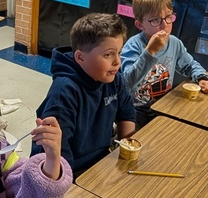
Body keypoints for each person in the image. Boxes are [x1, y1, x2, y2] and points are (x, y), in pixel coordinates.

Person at [34, 12, 136, 177]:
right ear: (80, 57)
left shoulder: (114, 78)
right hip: (71, 171)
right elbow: (58, 152)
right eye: (108, 54)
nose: (117, 61)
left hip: (101, 162)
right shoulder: (64, 92)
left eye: (119, 52)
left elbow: (127, 114)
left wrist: (126, 153)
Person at [120, 0, 208, 129]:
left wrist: (202, 77)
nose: (164, 25)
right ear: (140, 25)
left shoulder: (174, 43)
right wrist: (150, 51)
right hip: (136, 109)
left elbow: (189, 65)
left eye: (168, 17)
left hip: (164, 105)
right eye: (155, 20)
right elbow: (128, 82)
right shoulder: (133, 46)